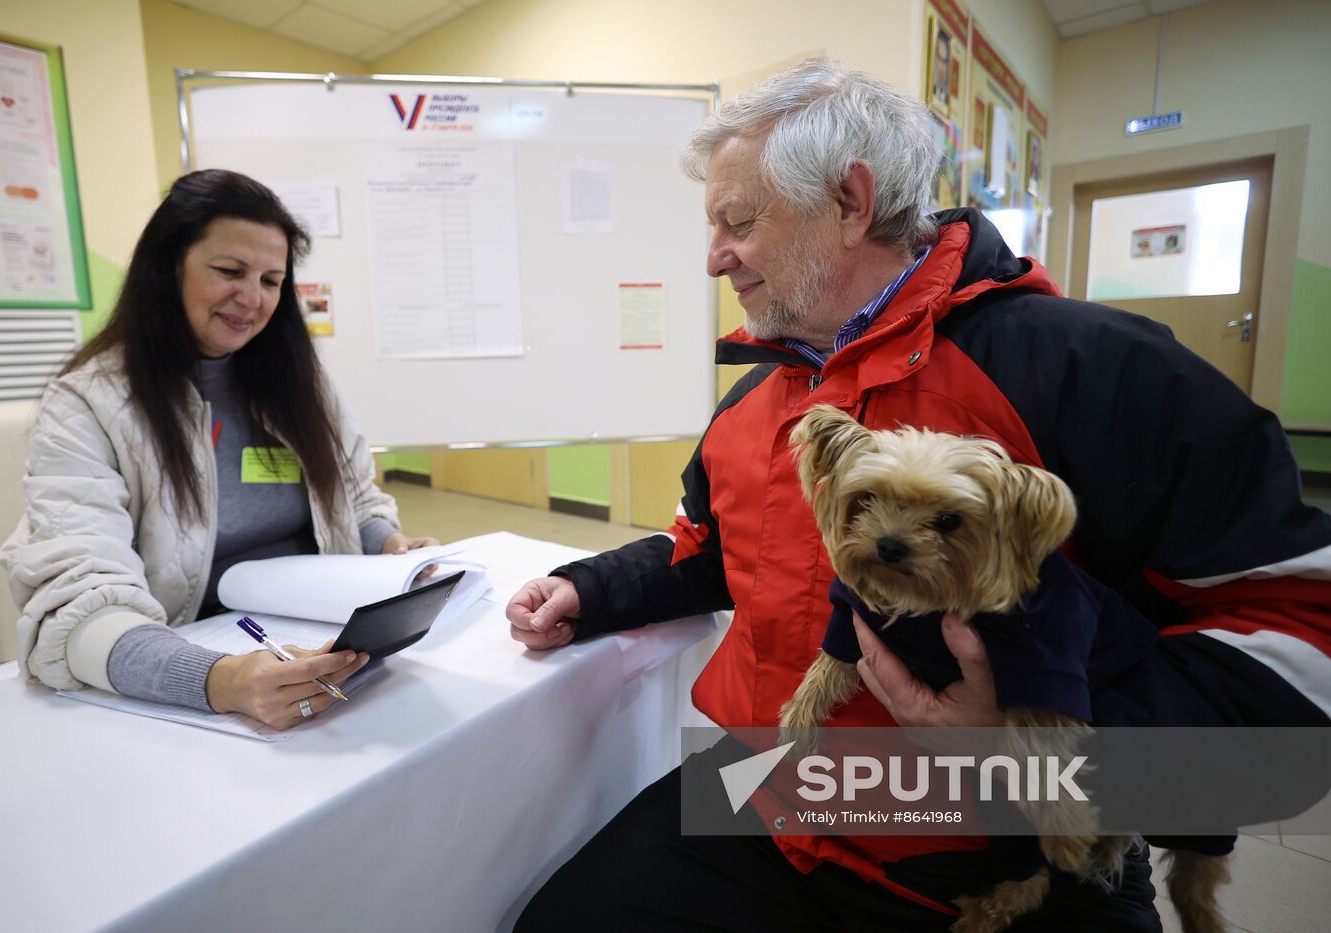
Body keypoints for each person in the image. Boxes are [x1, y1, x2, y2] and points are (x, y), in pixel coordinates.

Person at [505, 59, 1331, 931]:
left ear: (852, 203)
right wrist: (589, 588)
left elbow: (1299, 649)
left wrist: (1037, 751)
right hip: (774, 785)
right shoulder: (753, 402)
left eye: (737, 222)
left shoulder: (1096, 372)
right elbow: (707, 549)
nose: (714, 257)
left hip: (1000, 841)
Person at [0, 169, 438, 731]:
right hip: (194, 661)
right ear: (168, 267)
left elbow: (354, 498)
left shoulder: (301, 383)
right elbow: (80, 606)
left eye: (272, 280)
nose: (252, 299)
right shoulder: (88, 403)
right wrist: (220, 681)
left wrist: (391, 544)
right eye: (230, 272)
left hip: (317, 648)